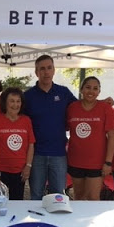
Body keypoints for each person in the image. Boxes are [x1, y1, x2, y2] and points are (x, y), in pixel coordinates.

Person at [24, 55, 78, 200]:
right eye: (42, 69)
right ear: (36, 72)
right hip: (36, 154)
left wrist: (101, 103)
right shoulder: (28, 96)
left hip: (58, 154)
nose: (46, 72)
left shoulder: (64, 92)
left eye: (49, 68)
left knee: (58, 197)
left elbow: (82, 108)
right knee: (35, 196)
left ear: (54, 70)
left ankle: (54, 223)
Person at [67, 76, 114, 200]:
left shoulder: (106, 109)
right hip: (76, 160)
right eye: (88, 87)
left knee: (93, 198)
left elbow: (112, 137)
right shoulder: (72, 108)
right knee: (79, 197)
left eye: (95, 88)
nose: (91, 91)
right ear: (81, 90)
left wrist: (108, 162)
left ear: (99, 92)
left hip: (96, 163)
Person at [0, 87, 35, 200]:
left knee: (16, 203)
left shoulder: (26, 121)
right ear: (5, 102)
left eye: (18, 101)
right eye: (12, 101)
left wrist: (28, 166)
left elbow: (31, 144)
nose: (15, 105)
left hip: (19, 171)